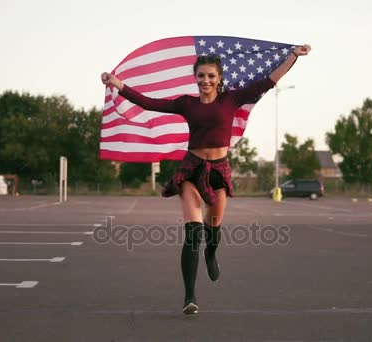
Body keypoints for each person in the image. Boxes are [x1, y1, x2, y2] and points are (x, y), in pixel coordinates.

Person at [101, 44, 311, 315]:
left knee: (213, 229)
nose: (206, 81)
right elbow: (149, 103)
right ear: (195, 78)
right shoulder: (185, 103)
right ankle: (190, 296)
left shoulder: (232, 99)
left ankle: (211, 254)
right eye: (201, 76)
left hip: (219, 171)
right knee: (192, 234)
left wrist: (293, 55)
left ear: (219, 78)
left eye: (211, 76)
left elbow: (268, 82)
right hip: (192, 169)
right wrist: (118, 83)